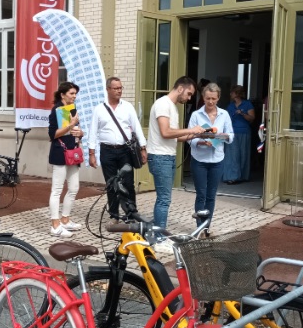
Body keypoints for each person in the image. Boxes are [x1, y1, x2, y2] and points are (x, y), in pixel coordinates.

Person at [147, 76, 207, 246]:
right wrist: (191, 129)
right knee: (164, 199)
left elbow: (175, 136)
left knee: (164, 198)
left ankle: (155, 231)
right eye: (189, 94)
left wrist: (197, 135)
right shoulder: (163, 104)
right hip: (160, 157)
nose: (189, 98)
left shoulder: (172, 107)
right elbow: (166, 132)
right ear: (180, 88)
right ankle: (158, 238)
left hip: (167, 156)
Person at [86, 76, 147, 221]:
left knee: (128, 183)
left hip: (125, 151)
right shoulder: (99, 109)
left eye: (120, 88)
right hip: (107, 151)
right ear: (108, 89)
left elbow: (137, 128)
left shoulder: (127, 107)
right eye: (116, 88)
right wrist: (91, 154)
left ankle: (131, 213)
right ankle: (114, 215)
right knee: (112, 184)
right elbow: (92, 132)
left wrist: (143, 148)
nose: (119, 91)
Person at [187, 83, 233, 234]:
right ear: (203, 98)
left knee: (211, 195)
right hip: (199, 160)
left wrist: (220, 137)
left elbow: (231, 135)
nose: (210, 102)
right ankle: (199, 228)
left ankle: (207, 228)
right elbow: (189, 138)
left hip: (217, 160)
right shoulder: (196, 115)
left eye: (213, 98)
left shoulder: (224, 114)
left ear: (218, 98)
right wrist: (201, 141)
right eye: (207, 98)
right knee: (201, 194)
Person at [47, 81, 85, 238]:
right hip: (60, 153)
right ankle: (55, 225)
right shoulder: (56, 110)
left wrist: (80, 133)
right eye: (71, 93)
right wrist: (70, 126)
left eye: (75, 93)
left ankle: (65, 219)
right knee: (56, 189)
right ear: (62, 95)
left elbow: (76, 129)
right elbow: (52, 135)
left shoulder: (72, 109)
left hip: (73, 152)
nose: (74, 96)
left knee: (74, 187)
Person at [223, 85, 255, 184]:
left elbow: (252, 118)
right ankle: (232, 177)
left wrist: (242, 114)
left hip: (244, 132)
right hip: (232, 133)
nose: (230, 94)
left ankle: (242, 176)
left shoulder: (247, 104)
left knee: (243, 154)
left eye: (232, 92)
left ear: (237, 94)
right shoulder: (230, 106)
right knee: (232, 154)